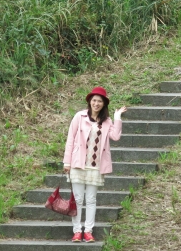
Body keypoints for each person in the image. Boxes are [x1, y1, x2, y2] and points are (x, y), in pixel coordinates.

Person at [63, 86, 127, 243]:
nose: (96, 103)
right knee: (78, 199)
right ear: (89, 101)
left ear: (103, 104)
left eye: (99, 101)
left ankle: (88, 231)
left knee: (91, 199)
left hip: (96, 166)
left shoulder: (106, 121)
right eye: (94, 100)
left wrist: (117, 116)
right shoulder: (79, 116)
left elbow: (116, 136)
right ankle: (77, 231)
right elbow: (70, 139)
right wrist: (67, 162)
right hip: (78, 163)